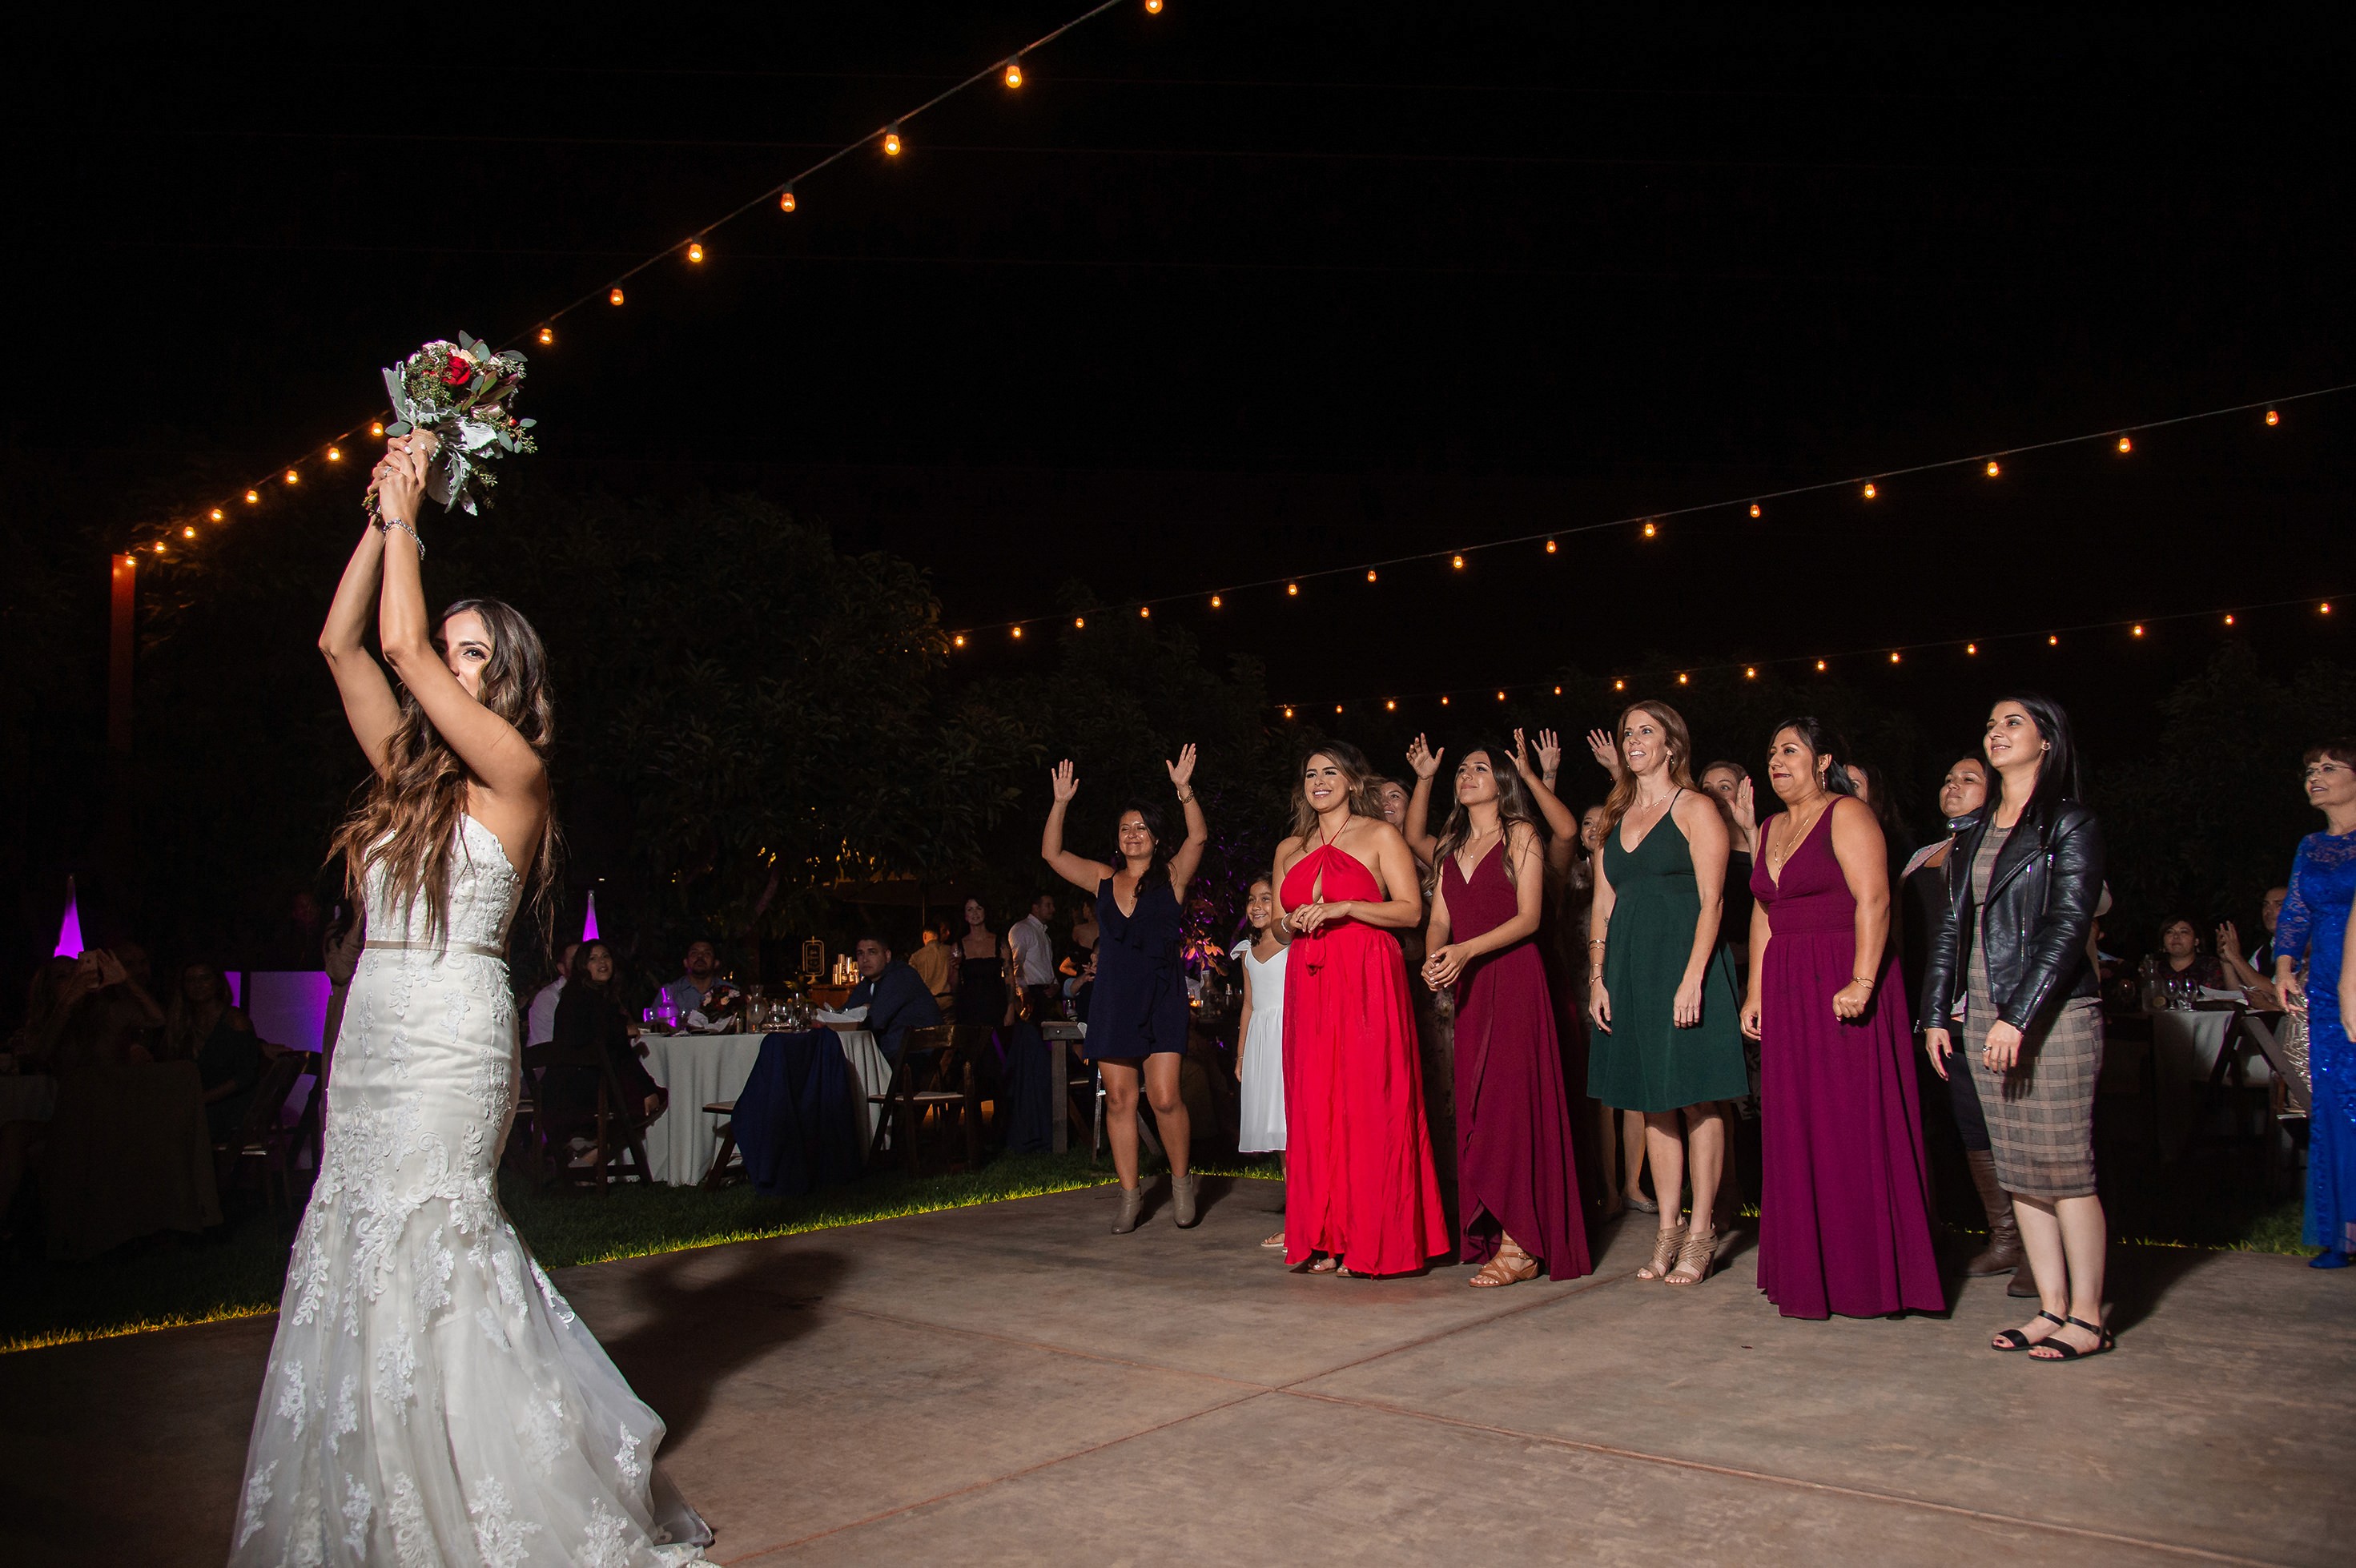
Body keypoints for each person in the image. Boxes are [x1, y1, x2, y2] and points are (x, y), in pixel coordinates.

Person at [232, 434, 708, 1564]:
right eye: (449, 648)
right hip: (378, 1029)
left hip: (452, 1032)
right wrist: (376, 509)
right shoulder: (406, 772)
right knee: (354, 1237)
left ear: (509, 679)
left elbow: (396, 637)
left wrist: (411, 514)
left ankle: (488, 1491)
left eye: (470, 654)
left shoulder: (514, 776)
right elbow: (341, 639)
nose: (443, 663)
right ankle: (384, 1491)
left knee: (441, 1242)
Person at [1921, 693, 2113, 1361]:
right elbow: (1951, 929)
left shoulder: (2069, 823)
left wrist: (2018, 1015)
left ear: (2048, 742)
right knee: (2020, 1170)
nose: (1994, 732)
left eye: (2012, 723)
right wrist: (1936, 1014)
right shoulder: (1973, 832)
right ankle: (2050, 1308)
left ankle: (2087, 1315)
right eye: (1990, 721)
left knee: (2066, 1170)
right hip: (1982, 1022)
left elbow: (2067, 927)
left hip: (2050, 1020)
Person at [1741, 719, 1943, 1320]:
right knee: (1795, 1122)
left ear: (1822, 759)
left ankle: (1867, 1276)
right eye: (1772, 750)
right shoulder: (1769, 827)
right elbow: (1762, 915)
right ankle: (1809, 1271)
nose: (1777, 759)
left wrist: (1861, 979)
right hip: (1784, 984)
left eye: (1790, 749)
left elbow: (1875, 898)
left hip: (1840, 976)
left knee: (1846, 1120)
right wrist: (1754, 992)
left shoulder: (1848, 815)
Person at [1587, 702, 1748, 1287]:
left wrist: (1693, 977)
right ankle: (1667, 1230)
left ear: (1672, 746)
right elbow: (1603, 906)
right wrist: (1597, 977)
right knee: (1652, 1100)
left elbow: (1715, 900)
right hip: (1630, 970)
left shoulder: (1695, 807)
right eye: (1628, 732)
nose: (1634, 740)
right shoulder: (1615, 815)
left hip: (1686, 966)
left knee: (1698, 1098)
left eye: (1645, 731)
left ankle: (1703, 1232)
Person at [1275, 741, 1446, 1275]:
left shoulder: (1379, 836)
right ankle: (1329, 1236)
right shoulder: (1290, 849)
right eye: (1310, 774)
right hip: (1309, 978)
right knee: (1316, 1107)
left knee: (1371, 1102)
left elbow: (1412, 911)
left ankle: (1376, 1238)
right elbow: (1277, 926)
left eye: (1330, 772)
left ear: (1352, 781)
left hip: (1368, 976)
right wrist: (1292, 920)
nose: (1319, 781)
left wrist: (1349, 906)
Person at [1423, 743, 1591, 1286]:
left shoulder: (1521, 834)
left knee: (1514, 1106)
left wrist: (1467, 951)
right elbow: (1439, 920)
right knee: (1480, 1110)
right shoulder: (1450, 850)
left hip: (1516, 979)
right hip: (1472, 989)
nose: (1467, 776)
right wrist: (1434, 956)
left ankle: (1522, 1247)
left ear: (1501, 781)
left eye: (1479, 769)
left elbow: (1530, 917)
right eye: (1462, 770)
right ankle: (1497, 1227)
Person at [1043, 747, 1209, 1231]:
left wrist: (1184, 789)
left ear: (1156, 837)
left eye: (1141, 827)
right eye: (1125, 828)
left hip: (1161, 997)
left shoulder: (1173, 878)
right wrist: (1060, 803)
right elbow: (1052, 854)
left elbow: (1198, 834)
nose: (1132, 834)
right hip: (1115, 999)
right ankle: (1130, 1196)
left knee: (1163, 1097)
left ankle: (1181, 1186)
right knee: (1119, 1099)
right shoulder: (1101, 879)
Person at [1899, 756, 2036, 1297]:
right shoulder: (1922, 858)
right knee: (1971, 1127)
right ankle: (2005, 1239)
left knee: (2015, 1130)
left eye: (1969, 779)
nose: (1953, 785)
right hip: (1944, 1017)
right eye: (1949, 777)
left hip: (1999, 1013)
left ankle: (2037, 1247)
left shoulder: (2011, 845)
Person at [2273, 738, 2356, 1267]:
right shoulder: (2310, 845)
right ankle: (2342, 1233)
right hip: (2323, 985)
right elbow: (2296, 910)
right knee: (2332, 1107)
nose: (2315, 776)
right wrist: (2283, 965)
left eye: (2329, 767)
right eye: (2309, 770)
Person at [544, 940, 665, 1124]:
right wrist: (647, 1089)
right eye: (593, 958)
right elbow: (617, 1051)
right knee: (656, 1095)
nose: (602, 962)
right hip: (587, 1092)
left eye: (606, 956)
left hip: (562, 1090)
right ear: (583, 966)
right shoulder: (591, 1000)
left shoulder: (577, 995)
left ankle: (591, 1147)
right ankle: (598, 1148)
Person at [1232, 876, 1290, 1248]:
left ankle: (1316, 1215)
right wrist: (1241, 1054)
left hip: (1291, 1035)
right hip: (1262, 1043)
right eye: (1252, 899)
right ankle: (1296, 1217)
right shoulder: (1246, 952)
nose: (1257, 906)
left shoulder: (1293, 943)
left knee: (1300, 1127)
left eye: (1267, 899)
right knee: (1283, 1134)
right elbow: (1249, 1005)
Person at [169, 961, 269, 1143]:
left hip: (230, 1107)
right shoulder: (181, 1023)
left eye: (205, 978)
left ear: (217, 982)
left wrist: (202, 1099)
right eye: (191, 980)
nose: (198, 985)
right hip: (194, 1106)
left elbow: (246, 1076)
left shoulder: (235, 1021)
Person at [846, 934, 943, 1064]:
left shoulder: (901, 976)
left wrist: (862, 1011)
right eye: (860, 954)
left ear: (887, 956)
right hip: (892, 1055)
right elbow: (845, 1013)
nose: (865, 959)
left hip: (918, 1059)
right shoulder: (868, 983)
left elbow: (875, 1020)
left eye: (872, 953)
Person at [2218, 886, 2289, 1008]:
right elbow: (2239, 993)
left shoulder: (2304, 950)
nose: (2268, 911)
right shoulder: (2263, 951)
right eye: (2265, 905)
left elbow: (2275, 991)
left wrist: (2236, 958)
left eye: (2279, 905)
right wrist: (2227, 961)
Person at [951, 899, 1007, 1030]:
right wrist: (955, 968)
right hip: (969, 1009)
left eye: (979, 908)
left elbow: (1009, 978)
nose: (974, 913)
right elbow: (954, 985)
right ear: (965, 915)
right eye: (970, 909)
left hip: (996, 1005)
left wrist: (1010, 1010)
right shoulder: (958, 946)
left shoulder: (1000, 943)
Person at [1009, 891, 1059, 1019]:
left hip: (1045, 993)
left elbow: (1046, 964)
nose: (1053, 909)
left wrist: (1055, 984)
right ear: (1036, 908)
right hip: (1031, 992)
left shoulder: (1044, 934)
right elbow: (1015, 963)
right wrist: (1023, 992)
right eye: (1048, 905)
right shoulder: (1022, 929)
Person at [527, 939, 580, 1048]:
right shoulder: (549, 997)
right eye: (575, 960)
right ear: (562, 968)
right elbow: (544, 1046)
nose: (581, 964)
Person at [2153, 916, 2228, 992]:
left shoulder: (2209, 965)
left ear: (2196, 941)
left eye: (2184, 932)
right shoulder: (2154, 968)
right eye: (2169, 932)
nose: (2176, 936)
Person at [658, 939, 726, 1023]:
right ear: (686, 962)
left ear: (716, 963)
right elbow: (653, 1024)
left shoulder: (730, 991)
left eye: (707, 954)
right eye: (694, 953)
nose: (700, 957)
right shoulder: (669, 992)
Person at [908, 923, 955, 1015]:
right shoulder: (950, 951)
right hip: (948, 1001)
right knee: (949, 1028)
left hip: (927, 1002)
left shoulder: (916, 957)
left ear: (925, 935)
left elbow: (911, 983)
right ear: (938, 935)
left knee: (929, 1029)